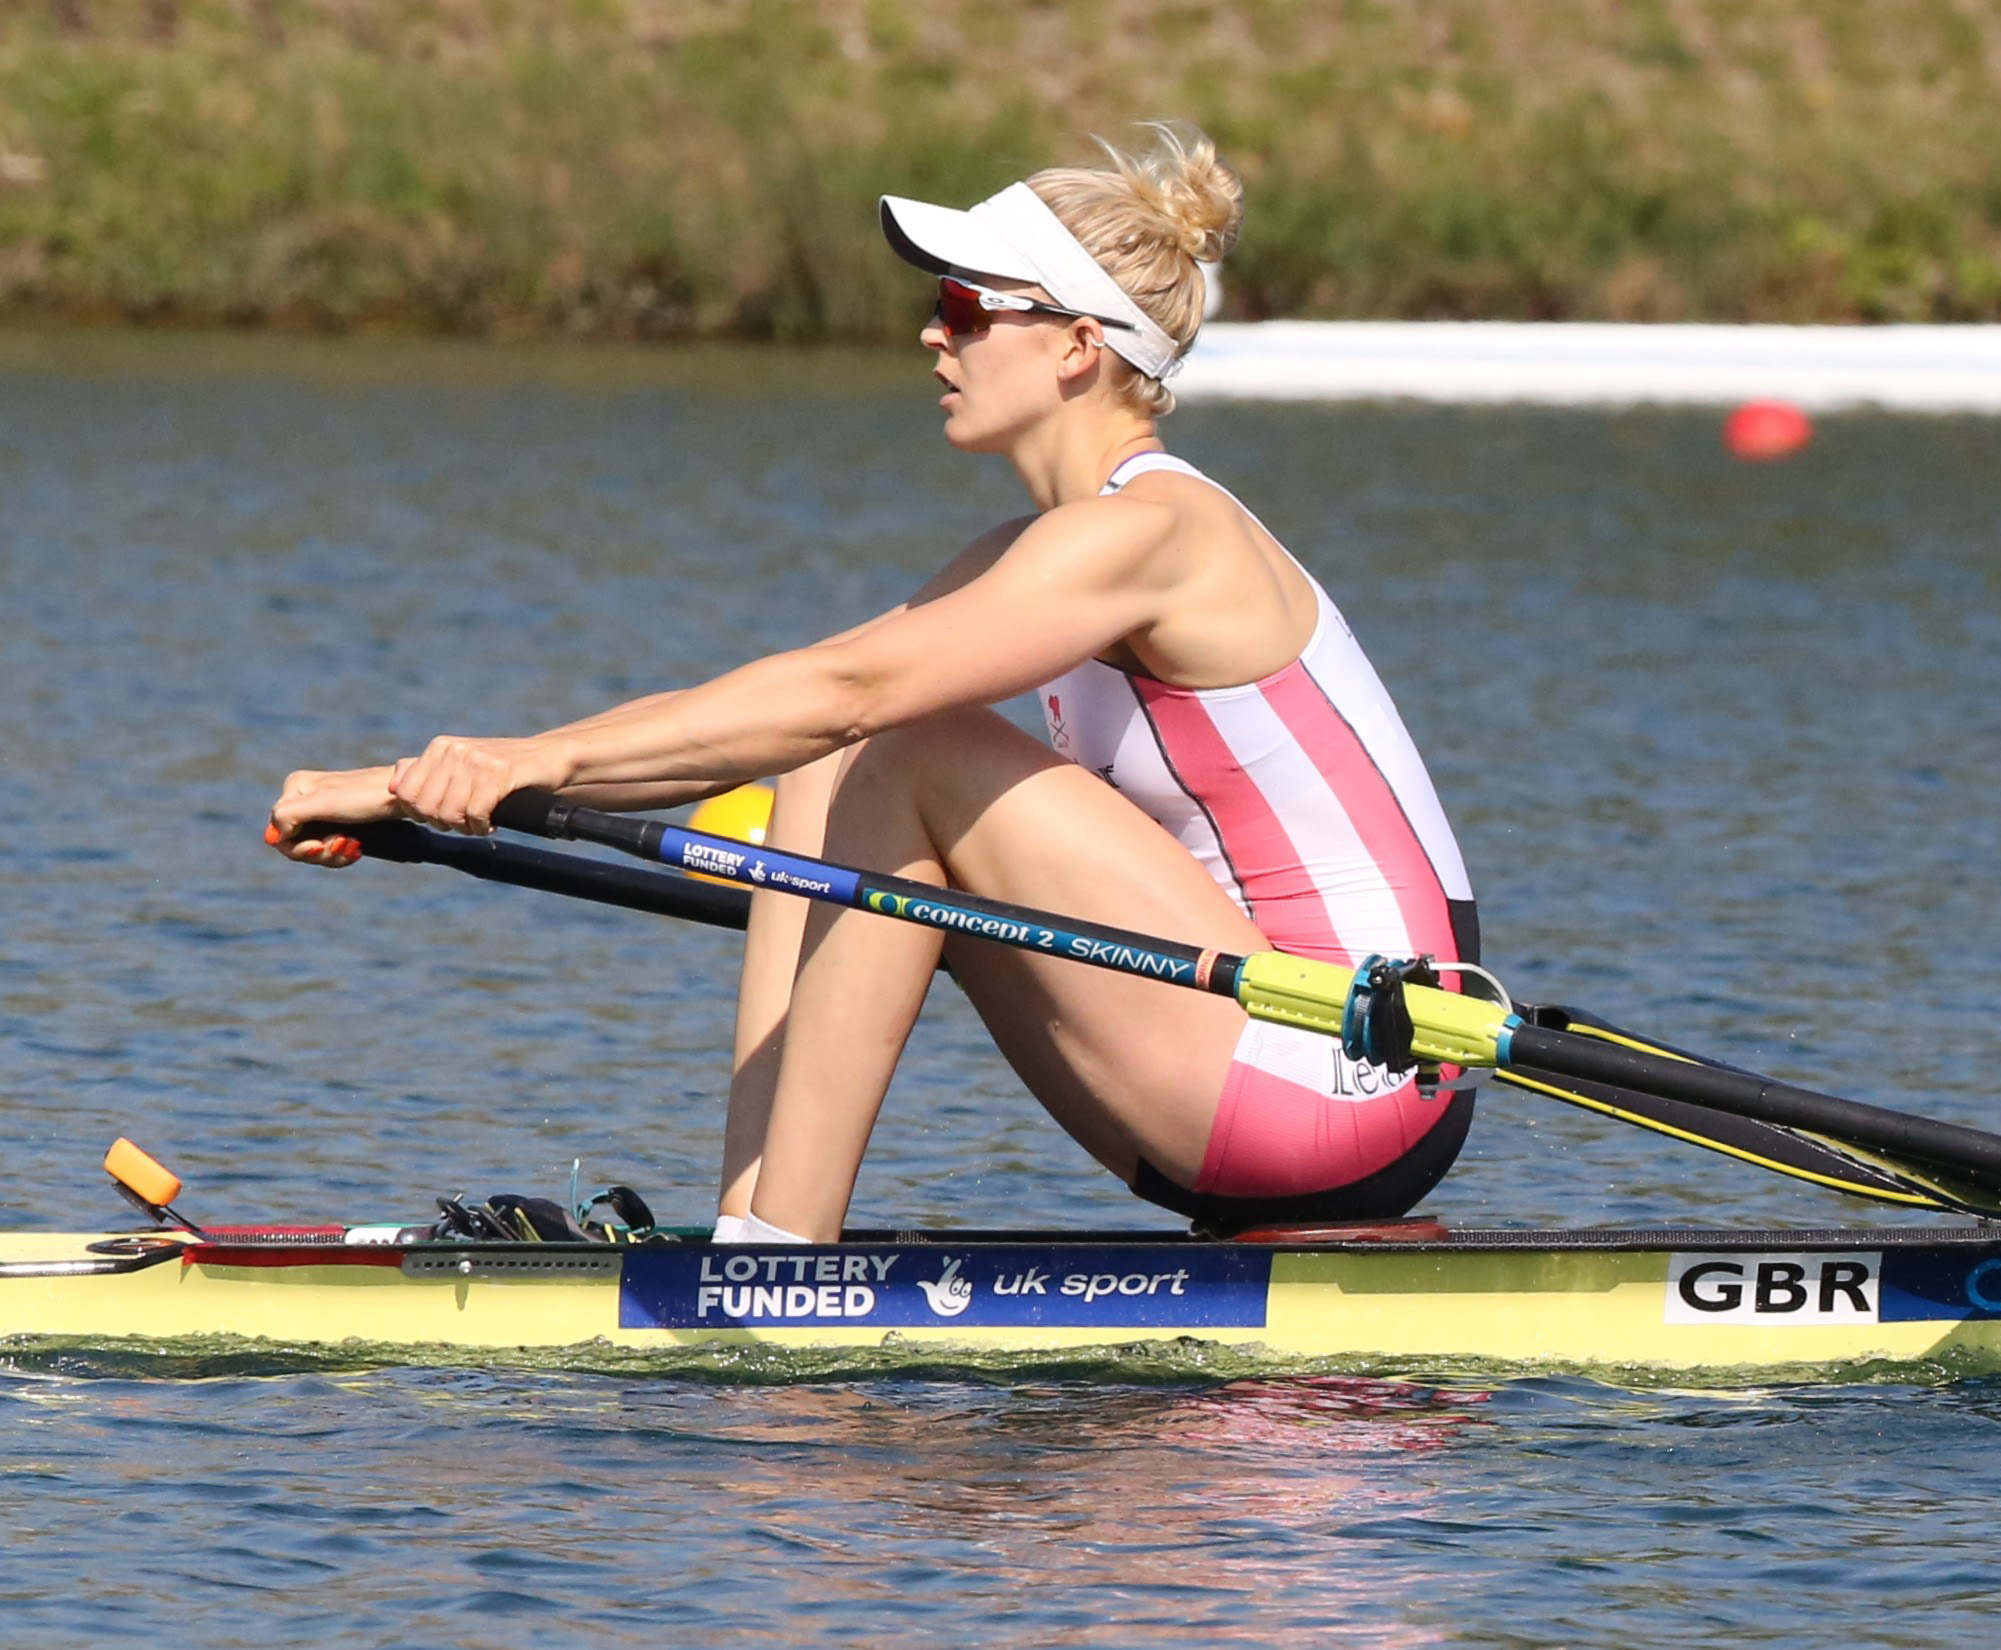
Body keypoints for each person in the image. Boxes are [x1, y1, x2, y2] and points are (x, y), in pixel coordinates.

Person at [268, 124, 1479, 1243]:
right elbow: (784, 705)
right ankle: (752, 1226)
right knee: (831, 752)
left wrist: (531, 763)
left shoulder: (1156, 533)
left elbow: (850, 693)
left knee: (895, 744)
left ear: (1076, 347)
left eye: (963, 309)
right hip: (1223, 1071)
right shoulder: (1040, 552)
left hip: (1354, 1075)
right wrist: (419, 786)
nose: (931, 337)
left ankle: (779, 1257)